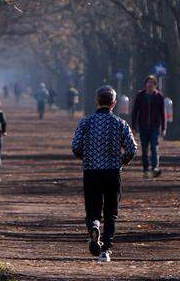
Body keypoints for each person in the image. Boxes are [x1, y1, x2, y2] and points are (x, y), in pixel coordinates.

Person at [71, 85, 137, 263]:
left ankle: (93, 226)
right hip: (112, 173)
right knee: (111, 212)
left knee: (93, 209)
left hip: (91, 172)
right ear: (114, 103)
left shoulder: (85, 122)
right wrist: (121, 161)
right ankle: (105, 250)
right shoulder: (120, 123)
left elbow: (76, 146)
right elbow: (132, 148)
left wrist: (86, 158)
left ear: (96, 101)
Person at [131, 75, 166, 178]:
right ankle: (146, 169)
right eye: (148, 83)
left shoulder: (159, 96)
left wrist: (164, 128)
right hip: (143, 126)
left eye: (152, 83)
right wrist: (133, 127)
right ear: (145, 84)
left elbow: (162, 113)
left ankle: (155, 167)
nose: (150, 85)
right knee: (145, 149)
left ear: (155, 85)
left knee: (154, 147)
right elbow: (134, 112)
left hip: (155, 126)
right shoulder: (140, 95)